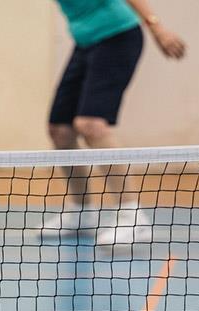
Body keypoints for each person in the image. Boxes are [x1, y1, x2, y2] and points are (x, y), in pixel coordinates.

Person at [43, 0, 186, 244]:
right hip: (85, 43)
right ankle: (82, 212)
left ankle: (132, 214)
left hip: (118, 37)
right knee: (60, 130)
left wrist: (156, 27)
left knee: (91, 124)